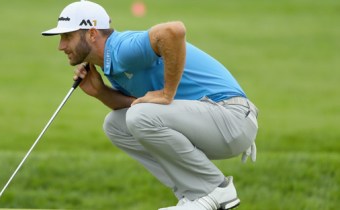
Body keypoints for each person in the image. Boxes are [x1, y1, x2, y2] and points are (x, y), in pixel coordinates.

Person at [42, 1, 259, 210]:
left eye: (67, 36)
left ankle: (213, 189)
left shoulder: (121, 48)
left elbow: (174, 31)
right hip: (211, 123)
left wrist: (167, 93)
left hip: (231, 117)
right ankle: (193, 194)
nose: (61, 46)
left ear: (91, 33)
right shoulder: (109, 64)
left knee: (139, 116)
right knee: (115, 125)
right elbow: (139, 105)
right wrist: (100, 92)